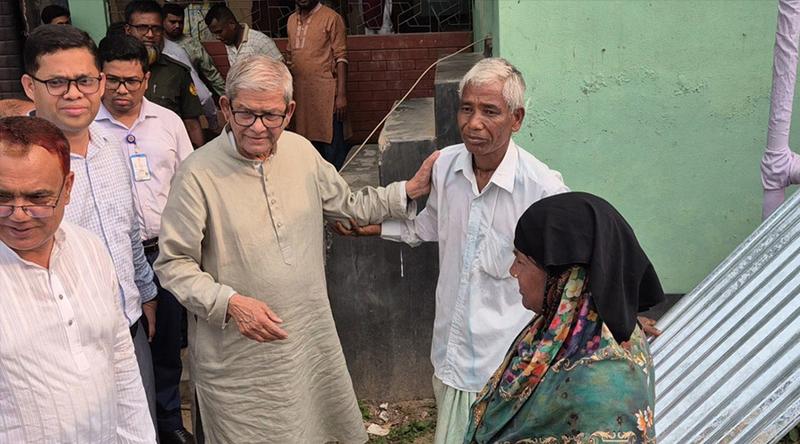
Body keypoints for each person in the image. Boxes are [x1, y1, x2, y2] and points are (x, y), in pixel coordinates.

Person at [154, 54, 438, 443]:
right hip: (240, 356)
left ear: (289, 112)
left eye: (270, 116)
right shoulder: (196, 174)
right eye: (245, 114)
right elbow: (173, 264)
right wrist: (231, 303)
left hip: (307, 339)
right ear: (225, 108)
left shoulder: (302, 152)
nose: (257, 127)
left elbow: (349, 206)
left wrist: (406, 190)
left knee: (314, 429)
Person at [336, 57, 568, 444]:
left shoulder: (542, 189)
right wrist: (376, 227)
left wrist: (620, 312)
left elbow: (573, 267)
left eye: (489, 111)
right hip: (449, 351)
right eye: (466, 108)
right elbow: (430, 225)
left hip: (505, 365)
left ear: (517, 118)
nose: (473, 123)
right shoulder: (446, 168)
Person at [20, 23, 159, 431]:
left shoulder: (110, 147)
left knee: (136, 429)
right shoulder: (15, 163)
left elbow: (128, 230)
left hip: (126, 328)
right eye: (57, 82)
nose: (74, 93)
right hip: (56, 344)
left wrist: (145, 293)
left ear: (99, 82)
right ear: (31, 86)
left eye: (83, 80)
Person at [0, 115, 156, 443]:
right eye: (3, 197)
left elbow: (121, 361)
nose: (18, 213)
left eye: (38, 198)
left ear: (67, 188)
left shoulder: (90, 250)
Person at [463, 192, 664, 443]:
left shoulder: (601, 392)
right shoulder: (560, 330)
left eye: (521, 261)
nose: (512, 271)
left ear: (563, 279)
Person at [94, 34, 195, 444]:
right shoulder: (88, 128)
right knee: (120, 348)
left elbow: (189, 183)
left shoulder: (167, 122)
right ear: (100, 78)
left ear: (146, 79)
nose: (122, 90)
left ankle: (168, 422)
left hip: (165, 251)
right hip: (111, 257)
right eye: (113, 80)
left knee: (167, 346)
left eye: (131, 81)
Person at [125, 1, 205, 147]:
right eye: (142, 28)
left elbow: (192, 124)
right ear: (128, 30)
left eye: (156, 29)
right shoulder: (113, 72)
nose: (150, 34)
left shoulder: (177, 72)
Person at [287, 0, 351, 169]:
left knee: (333, 151)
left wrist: (342, 95)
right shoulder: (291, 20)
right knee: (308, 150)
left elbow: (341, 57)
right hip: (301, 97)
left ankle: (339, 191)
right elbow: (290, 55)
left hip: (327, 96)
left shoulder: (332, 18)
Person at [163, 2, 226, 98]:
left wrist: (227, 97)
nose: (177, 26)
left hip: (191, 94)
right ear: (162, 21)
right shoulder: (156, 43)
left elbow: (212, 74)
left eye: (180, 22)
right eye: (172, 22)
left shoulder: (193, 44)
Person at [204, 4, 283, 68]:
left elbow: (282, 71)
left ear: (232, 24)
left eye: (219, 32)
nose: (217, 37)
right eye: (215, 34)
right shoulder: (229, 43)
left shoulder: (260, 41)